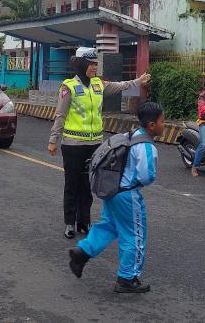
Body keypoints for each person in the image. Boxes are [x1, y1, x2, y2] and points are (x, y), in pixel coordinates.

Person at [48, 47, 151, 239]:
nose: (94, 67)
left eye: (96, 64)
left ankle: (84, 221)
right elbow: (60, 115)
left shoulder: (98, 84)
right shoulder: (68, 87)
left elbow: (121, 86)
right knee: (72, 184)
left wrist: (138, 81)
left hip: (95, 144)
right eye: (91, 64)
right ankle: (69, 222)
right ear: (81, 64)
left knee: (88, 185)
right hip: (72, 144)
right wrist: (53, 139)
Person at [68, 102, 164, 293]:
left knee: (109, 225)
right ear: (152, 125)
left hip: (112, 190)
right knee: (134, 236)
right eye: (163, 121)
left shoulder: (132, 135)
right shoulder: (146, 145)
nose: (165, 124)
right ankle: (127, 278)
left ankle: (82, 252)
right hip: (128, 195)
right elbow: (146, 176)